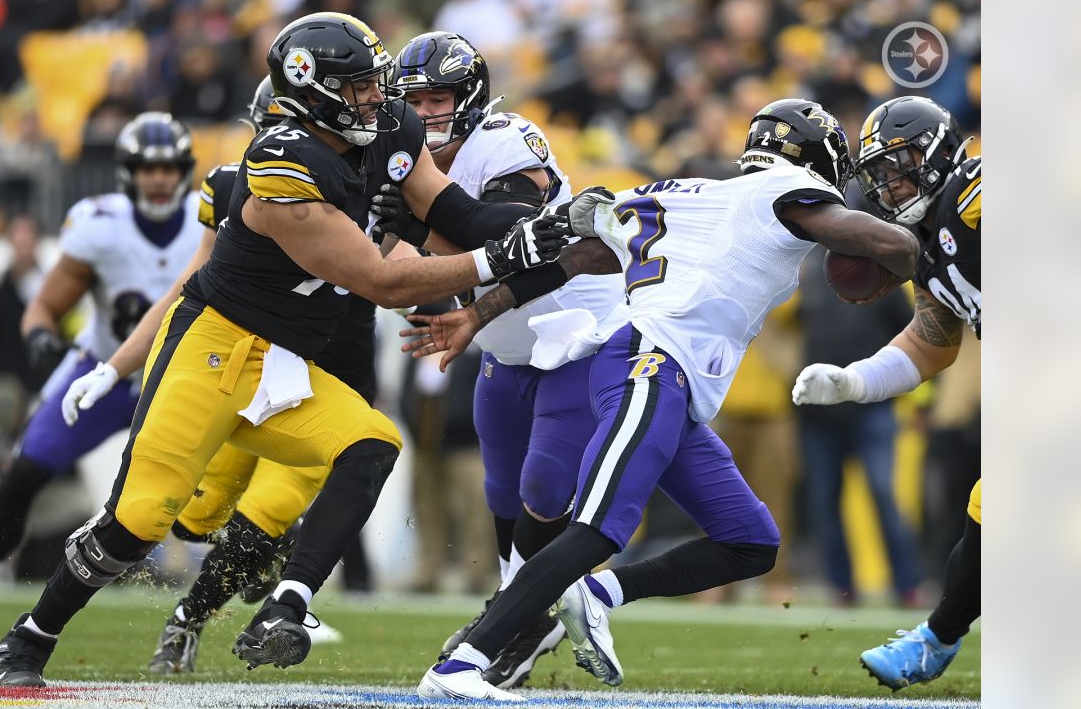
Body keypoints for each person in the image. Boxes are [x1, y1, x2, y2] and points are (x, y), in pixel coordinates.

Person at [0, 11, 572, 687]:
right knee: (144, 520)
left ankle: (286, 607)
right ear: (313, 91)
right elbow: (381, 281)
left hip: (288, 360)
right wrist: (500, 257)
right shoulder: (279, 165)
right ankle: (29, 637)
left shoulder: (389, 130)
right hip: (214, 349)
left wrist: (545, 218)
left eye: (374, 83)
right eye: (357, 87)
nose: (377, 98)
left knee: (372, 442)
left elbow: (459, 217)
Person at [402, 98, 921, 701]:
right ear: (818, 163)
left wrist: (479, 310)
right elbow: (880, 241)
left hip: (664, 379)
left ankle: (596, 595)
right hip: (650, 364)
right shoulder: (789, 188)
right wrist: (912, 250)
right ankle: (461, 665)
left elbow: (571, 262)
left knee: (749, 540)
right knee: (597, 529)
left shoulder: (688, 194)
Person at [67, 79, 378, 674]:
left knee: (270, 513)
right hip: (247, 372)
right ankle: (182, 549)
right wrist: (115, 365)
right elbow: (192, 292)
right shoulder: (239, 191)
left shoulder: (371, 191)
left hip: (322, 384)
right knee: (194, 518)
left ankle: (191, 618)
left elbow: (411, 268)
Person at [377, 31, 625, 689]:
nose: (428, 112)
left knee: (545, 484)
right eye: (416, 100)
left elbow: (524, 239)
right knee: (503, 492)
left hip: (575, 331)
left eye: (440, 98)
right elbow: (403, 280)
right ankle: (522, 612)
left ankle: (512, 619)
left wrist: (416, 229)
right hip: (503, 346)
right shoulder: (397, 160)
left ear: (471, 98)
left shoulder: (505, 141)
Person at [0, 112, 204, 636]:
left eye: (169, 167)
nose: (161, 178)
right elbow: (45, 306)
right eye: (149, 168)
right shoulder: (100, 225)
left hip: (184, 381)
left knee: (252, 481)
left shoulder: (208, 220)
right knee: (23, 473)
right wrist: (38, 338)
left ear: (185, 171)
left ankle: (284, 597)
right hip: (105, 374)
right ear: (128, 172)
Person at [791, 95, 980, 690]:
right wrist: (855, 381)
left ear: (941, 153)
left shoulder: (972, 196)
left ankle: (936, 641)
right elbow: (932, 342)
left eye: (902, 165)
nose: (892, 184)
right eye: (881, 174)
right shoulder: (928, 253)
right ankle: (935, 640)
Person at [795, 246, 920, 606]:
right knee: (824, 501)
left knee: (882, 492)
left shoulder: (885, 276)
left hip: (872, 406)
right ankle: (842, 588)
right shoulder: (810, 275)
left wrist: (923, 400)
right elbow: (796, 326)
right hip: (819, 413)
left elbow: (917, 336)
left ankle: (907, 585)